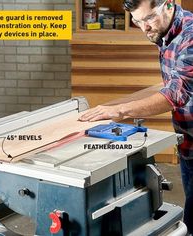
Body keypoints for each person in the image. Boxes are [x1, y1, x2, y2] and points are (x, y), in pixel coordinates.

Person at [79, 0, 193, 234]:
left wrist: (121, 111)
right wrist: (115, 105)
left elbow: (178, 91)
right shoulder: (166, 31)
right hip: (188, 140)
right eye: (137, 20)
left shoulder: (190, 35)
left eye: (149, 18)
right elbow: (172, 82)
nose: (144, 28)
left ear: (169, 4)